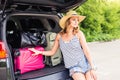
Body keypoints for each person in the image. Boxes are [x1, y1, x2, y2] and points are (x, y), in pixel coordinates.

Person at [29, 11, 97, 80]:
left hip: (85, 63)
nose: (76, 22)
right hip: (74, 67)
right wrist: (40, 52)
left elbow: (86, 50)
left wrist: (92, 67)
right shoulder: (59, 36)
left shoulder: (79, 33)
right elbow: (52, 52)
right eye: (74, 20)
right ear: (68, 21)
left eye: (77, 20)